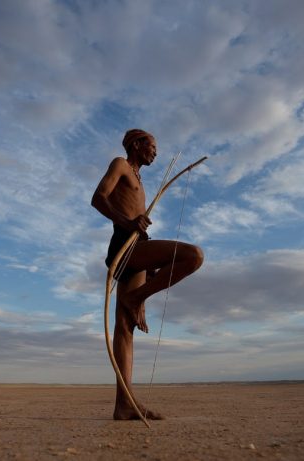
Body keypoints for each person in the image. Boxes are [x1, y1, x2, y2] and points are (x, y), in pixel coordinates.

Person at [91, 128, 204, 421]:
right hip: (124, 245)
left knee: (125, 328)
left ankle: (124, 403)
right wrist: (129, 223)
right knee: (193, 256)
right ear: (137, 144)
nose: (155, 151)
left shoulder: (139, 178)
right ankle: (137, 298)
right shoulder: (120, 164)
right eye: (152, 146)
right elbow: (98, 198)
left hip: (137, 246)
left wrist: (151, 265)